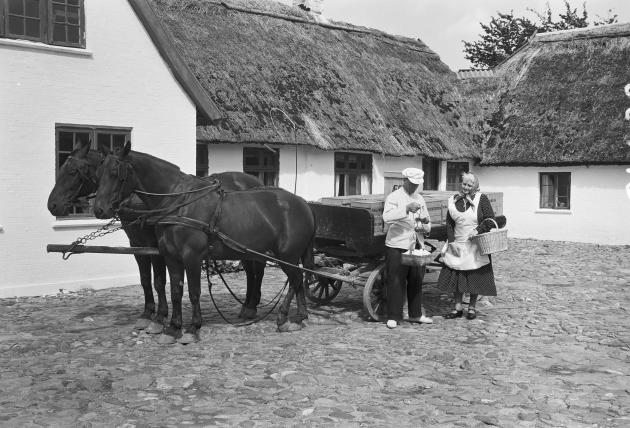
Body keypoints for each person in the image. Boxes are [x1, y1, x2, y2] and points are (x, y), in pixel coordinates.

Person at [438, 172, 497, 320]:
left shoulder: (481, 199)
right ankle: (457, 307)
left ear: (475, 186)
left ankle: (471, 308)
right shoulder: (453, 200)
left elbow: (490, 220)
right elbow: (450, 224)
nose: (466, 187)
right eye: (464, 184)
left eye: (470, 185)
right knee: (457, 275)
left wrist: (478, 230)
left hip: (475, 244)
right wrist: (452, 243)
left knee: (473, 276)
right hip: (457, 243)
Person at [382, 168, 433, 329]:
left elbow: (428, 225)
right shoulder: (394, 197)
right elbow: (387, 217)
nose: (413, 187)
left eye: (416, 185)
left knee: (416, 280)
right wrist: (405, 209)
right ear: (404, 181)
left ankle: (415, 314)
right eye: (411, 184)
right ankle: (393, 316)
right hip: (397, 244)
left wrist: (425, 223)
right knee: (396, 280)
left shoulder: (420, 199)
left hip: (416, 245)